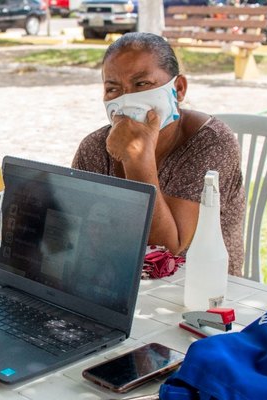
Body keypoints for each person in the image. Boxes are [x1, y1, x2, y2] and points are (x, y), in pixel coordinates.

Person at [72, 32, 245, 276]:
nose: (126, 98)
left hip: (201, 290)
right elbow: (75, 228)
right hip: (116, 283)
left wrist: (136, 158)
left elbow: (164, 250)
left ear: (179, 89)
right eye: (113, 89)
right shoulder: (95, 147)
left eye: (141, 84)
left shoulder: (210, 143)